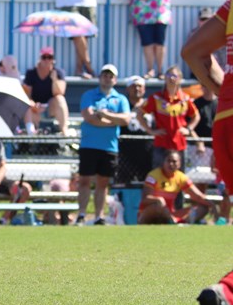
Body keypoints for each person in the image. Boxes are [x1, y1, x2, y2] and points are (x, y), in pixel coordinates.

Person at [182, 0, 233, 305]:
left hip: (227, 119)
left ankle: (225, 295)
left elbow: (193, 52)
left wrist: (222, 92)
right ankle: (226, 294)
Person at [76, 64, 131, 225]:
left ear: (115, 80)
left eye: (110, 76)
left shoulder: (120, 99)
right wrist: (113, 121)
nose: (107, 79)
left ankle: (99, 216)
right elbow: (89, 117)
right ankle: (81, 214)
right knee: (85, 181)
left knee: (102, 183)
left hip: (109, 147)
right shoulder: (89, 95)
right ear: (100, 78)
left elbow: (125, 120)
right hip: (89, 145)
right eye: (105, 75)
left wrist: (104, 115)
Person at [142, 65, 199, 170]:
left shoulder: (185, 99)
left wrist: (189, 129)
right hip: (161, 143)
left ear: (180, 79)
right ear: (165, 78)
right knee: (158, 176)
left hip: (180, 144)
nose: (171, 78)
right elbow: (139, 114)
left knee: (179, 177)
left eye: (175, 76)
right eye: (168, 75)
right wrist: (151, 131)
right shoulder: (156, 98)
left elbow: (196, 116)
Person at [137, 151, 214, 225]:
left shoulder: (181, 177)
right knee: (158, 206)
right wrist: (158, 199)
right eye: (168, 161)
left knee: (203, 208)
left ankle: (183, 222)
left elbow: (198, 196)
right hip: (150, 213)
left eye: (174, 161)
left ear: (179, 164)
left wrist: (212, 205)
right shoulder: (153, 176)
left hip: (170, 214)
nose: (171, 164)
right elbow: (145, 199)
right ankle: (174, 222)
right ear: (163, 162)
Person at [116, 75, 154, 184]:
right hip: (125, 153)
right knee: (124, 183)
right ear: (127, 89)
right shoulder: (122, 105)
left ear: (144, 89)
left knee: (147, 183)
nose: (137, 89)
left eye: (139, 86)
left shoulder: (150, 104)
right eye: (133, 86)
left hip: (147, 152)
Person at [22, 46, 70, 135]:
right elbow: (26, 94)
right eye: (44, 57)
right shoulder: (31, 73)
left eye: (50, 57)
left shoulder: (58, 72)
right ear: (40, 58)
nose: (47, 60)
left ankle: (64, 131)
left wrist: (54, 79)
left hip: (50, 108)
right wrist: (33, 104)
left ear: (53, 59)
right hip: (34, 109)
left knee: (60, 99)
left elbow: (59, 92)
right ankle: (31, 133)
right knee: (26, 103)